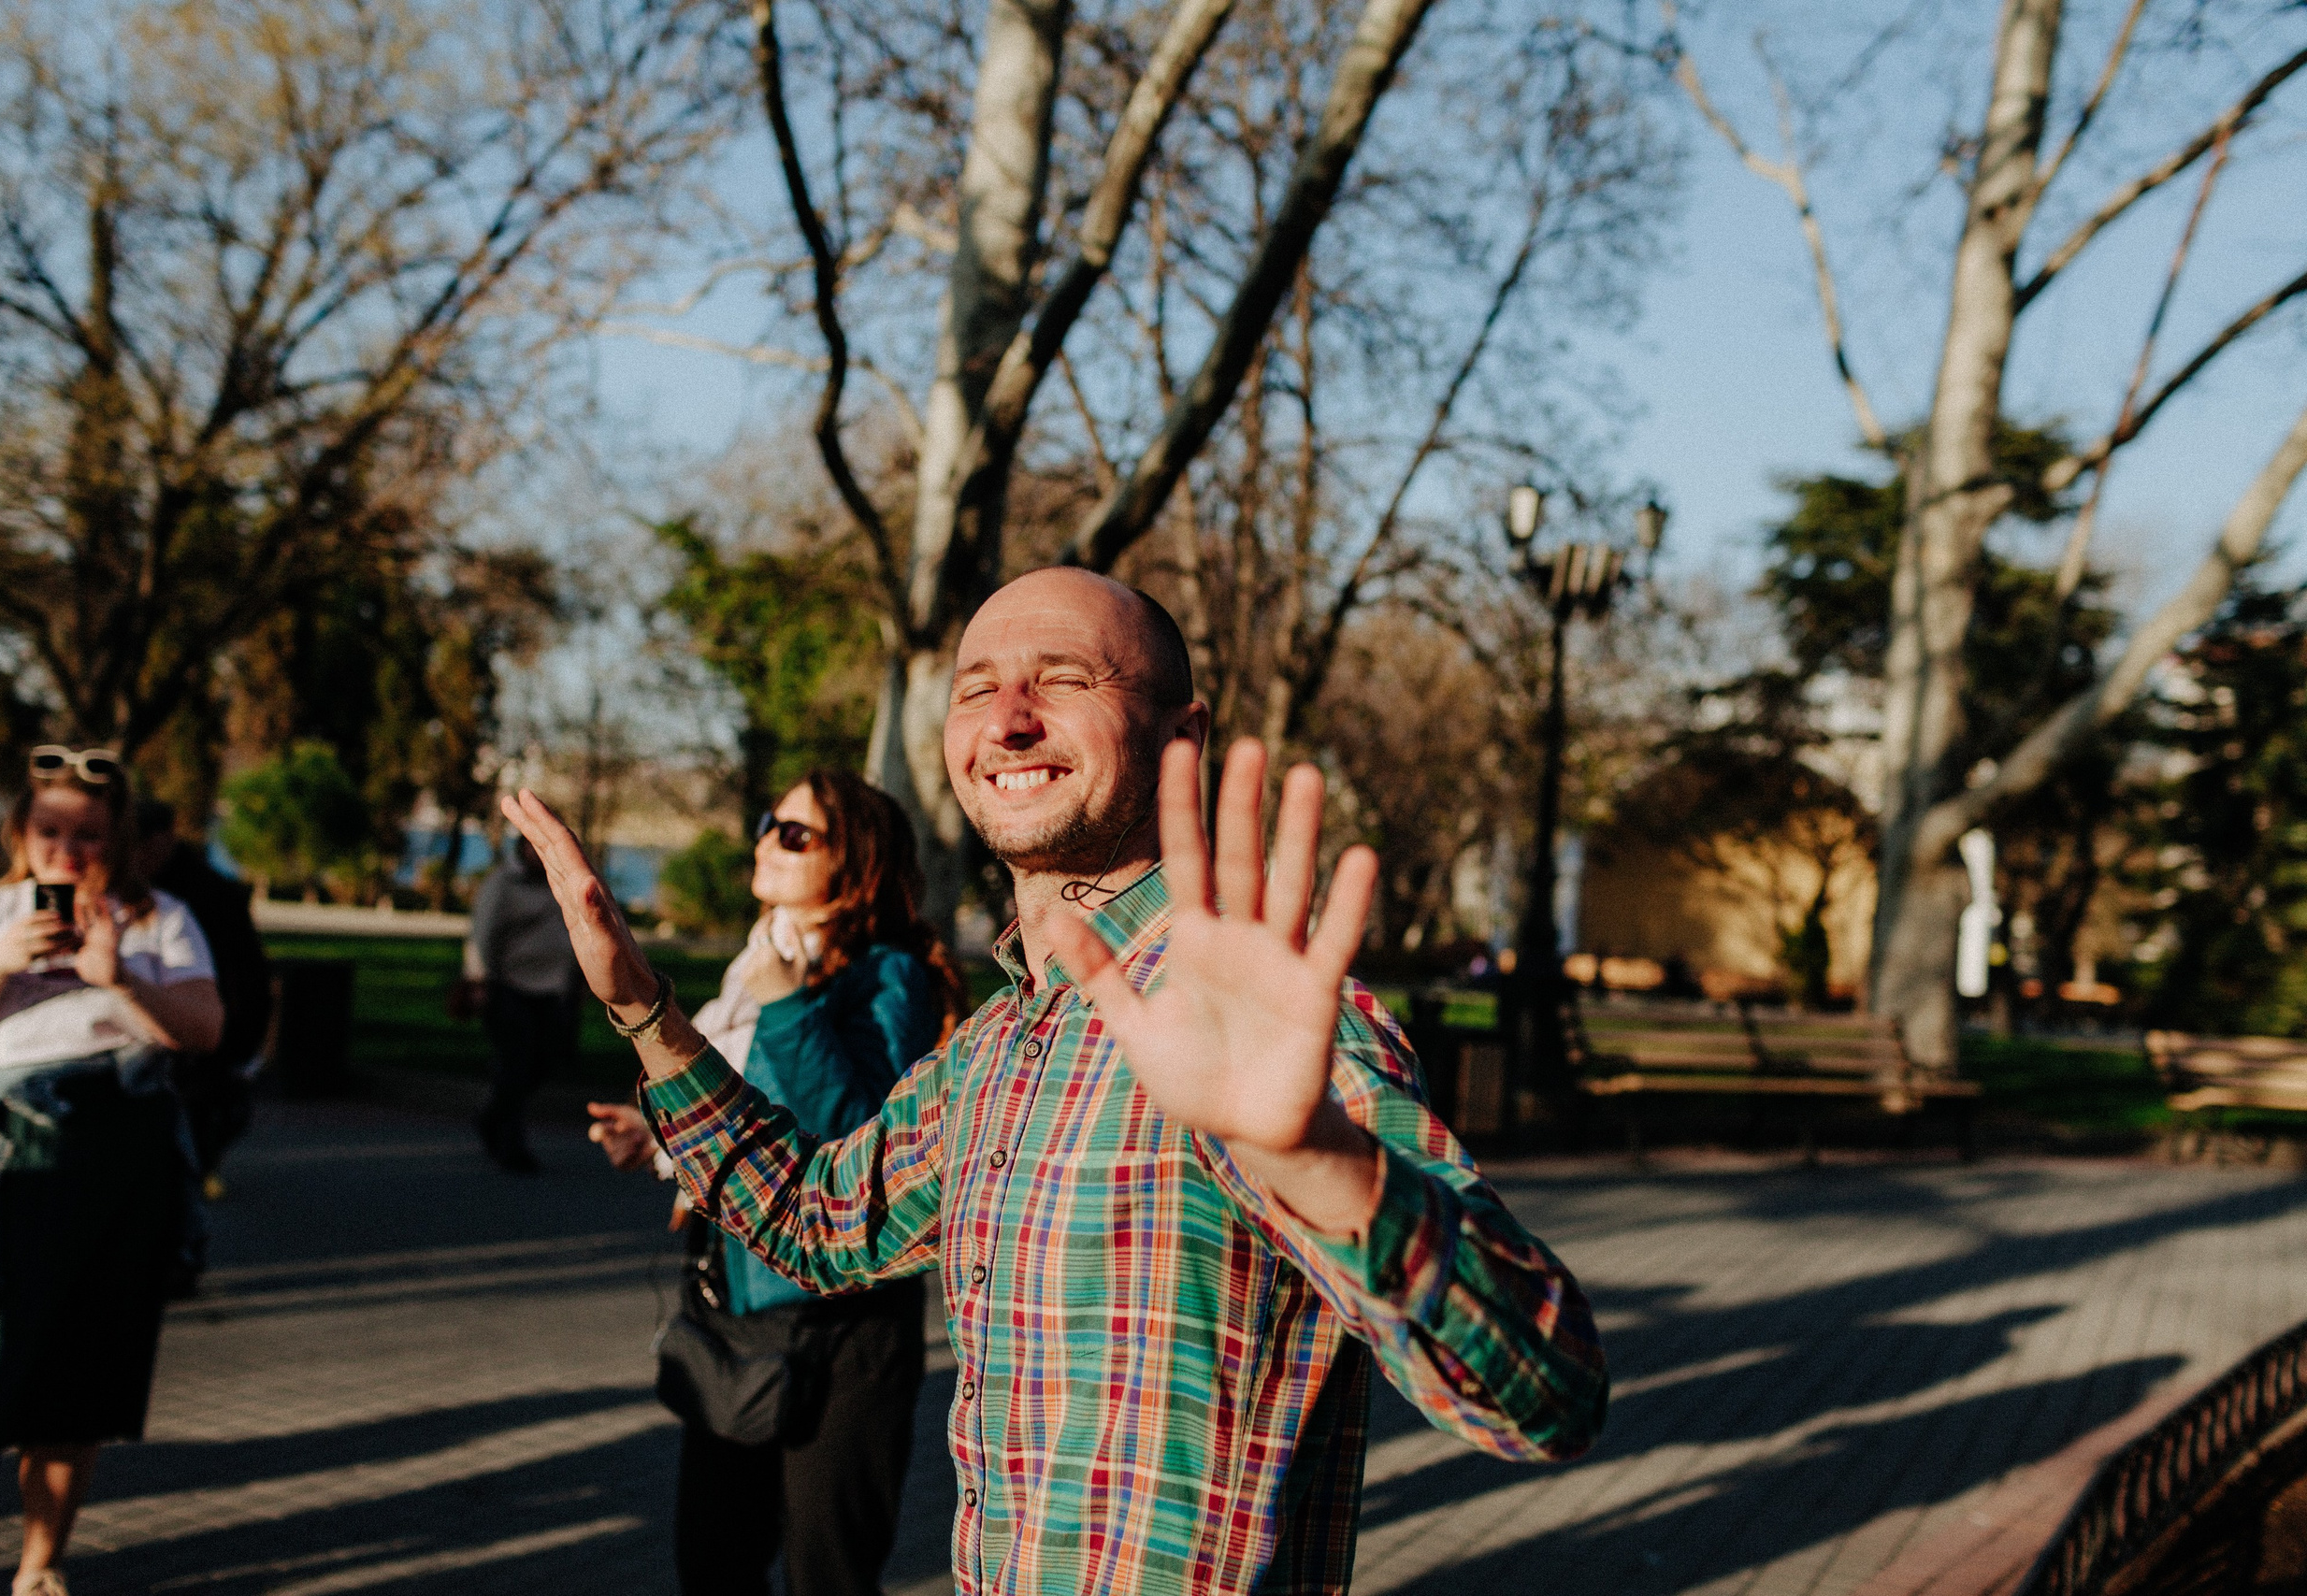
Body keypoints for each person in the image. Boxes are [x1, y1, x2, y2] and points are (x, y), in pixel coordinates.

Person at [505, 568, 1607, 1595]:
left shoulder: (1259, 1026)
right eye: (976, 689)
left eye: (1063, 682)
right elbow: (812, 1219)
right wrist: (643, 1007)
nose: (1008, 720)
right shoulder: (993, 1051)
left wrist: (1314, 1155)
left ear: (1185, 738)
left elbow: (1545, 1395)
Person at [586, 769, 967, 1596]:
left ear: (855, 859)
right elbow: (745, 1118)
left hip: (845, 1330)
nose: (767, 839)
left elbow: (863, 1140)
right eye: (768, 822)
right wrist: (657, 1139)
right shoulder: (757, 960)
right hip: (738, 1308)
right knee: (712, 1560)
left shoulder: (887, 975)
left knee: (827, 1572)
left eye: (795, 832)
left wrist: (792, 1006)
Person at [0, 746, 223, 1596]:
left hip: (116, 1168)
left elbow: (202, 1029)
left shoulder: (159, 919)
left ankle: (40, 1565)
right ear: (22, 829)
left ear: (116, 837)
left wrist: (117, 973)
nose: (67, 848)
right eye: (50, 828)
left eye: (88, 832)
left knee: (77, 1384)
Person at [133, 799, 272, 1197]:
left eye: (141, 844)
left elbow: (243, 975)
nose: (135, 855)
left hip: (204, 1034)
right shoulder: (138, 888)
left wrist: (241, 1040)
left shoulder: (204, 897)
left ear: (164, 838)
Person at [457, 836, 581, 1173]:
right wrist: (479, 981)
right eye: (535, 847)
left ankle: (490, 1118)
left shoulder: (562, 881)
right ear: (522, 848)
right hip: (510, 988)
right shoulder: (502, 884)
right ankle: (511, 1145)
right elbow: (481, 934)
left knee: (544, 1064)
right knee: (517, 1066)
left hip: (553, 988)